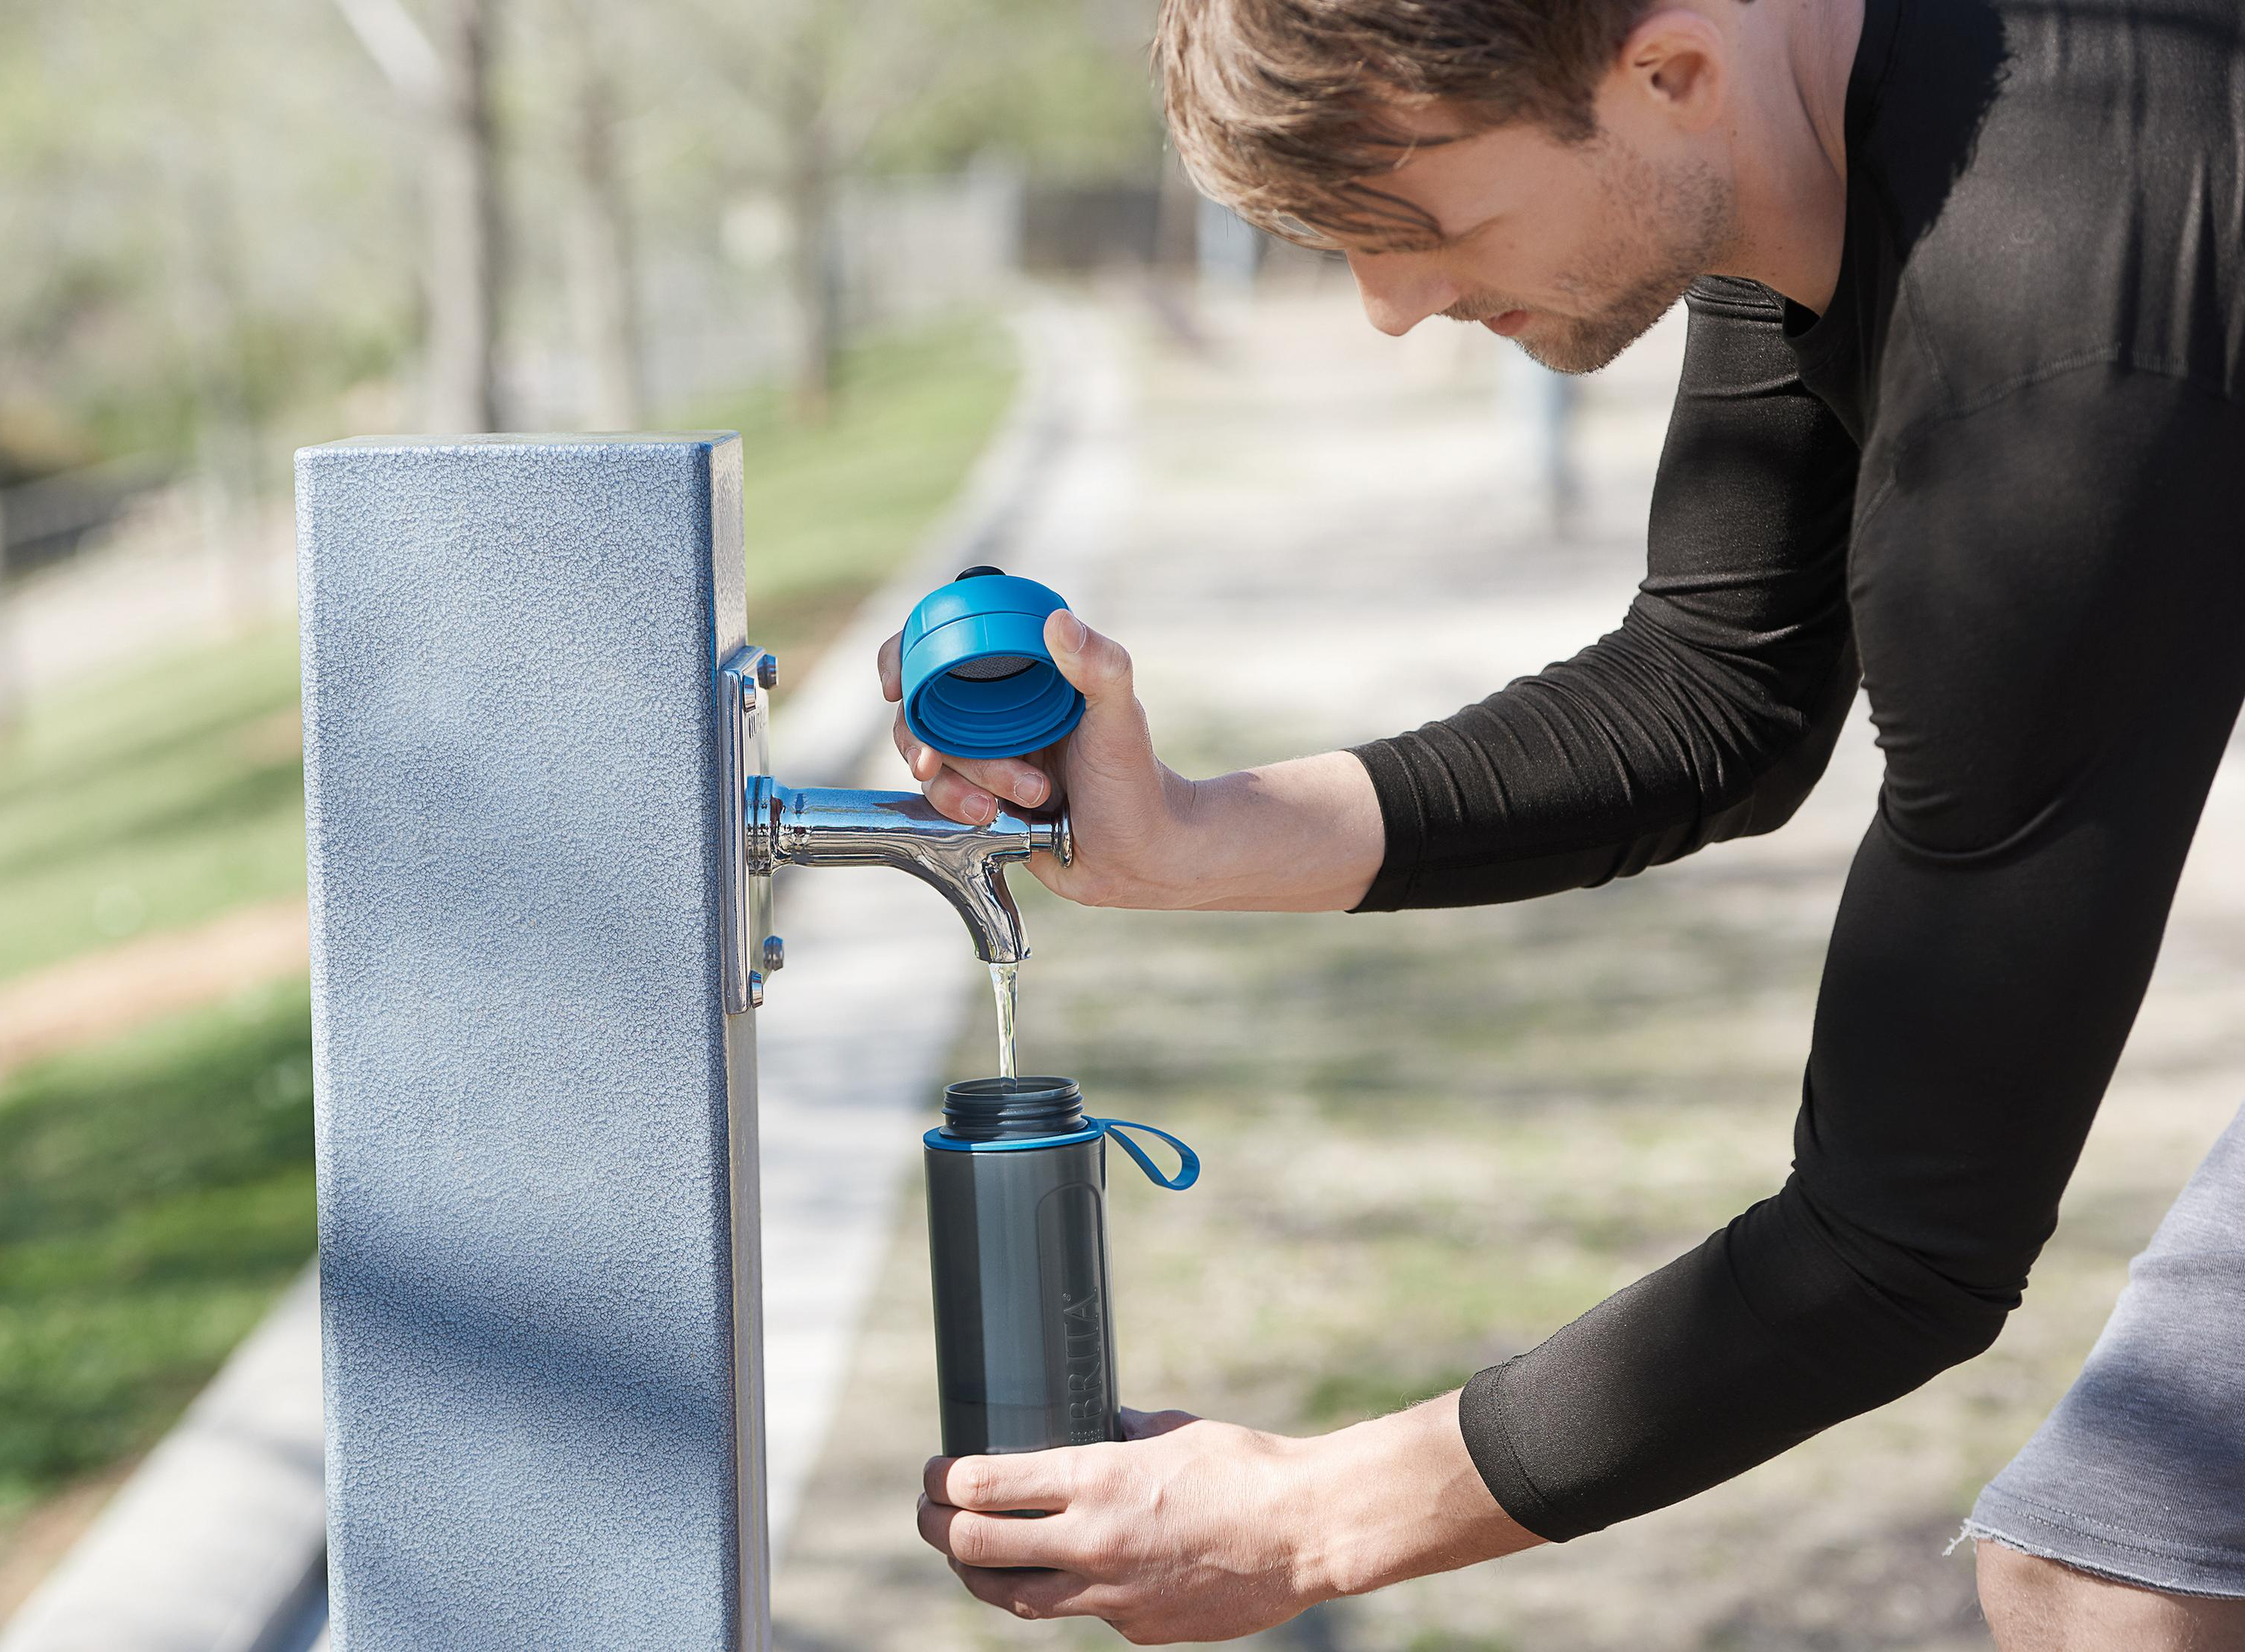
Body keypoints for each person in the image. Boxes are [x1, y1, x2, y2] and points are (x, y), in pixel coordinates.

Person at [877, 0, 2245, 1644]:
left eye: (1427, 226)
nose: (1391, 307)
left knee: (2127, 1574)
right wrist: (1186, 834)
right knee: (2124, 1573)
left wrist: (1311, 1515)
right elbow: (1715, 693)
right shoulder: (1798, 115)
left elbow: (1897, 1244)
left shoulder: (2053, 358)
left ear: (1661, 67)